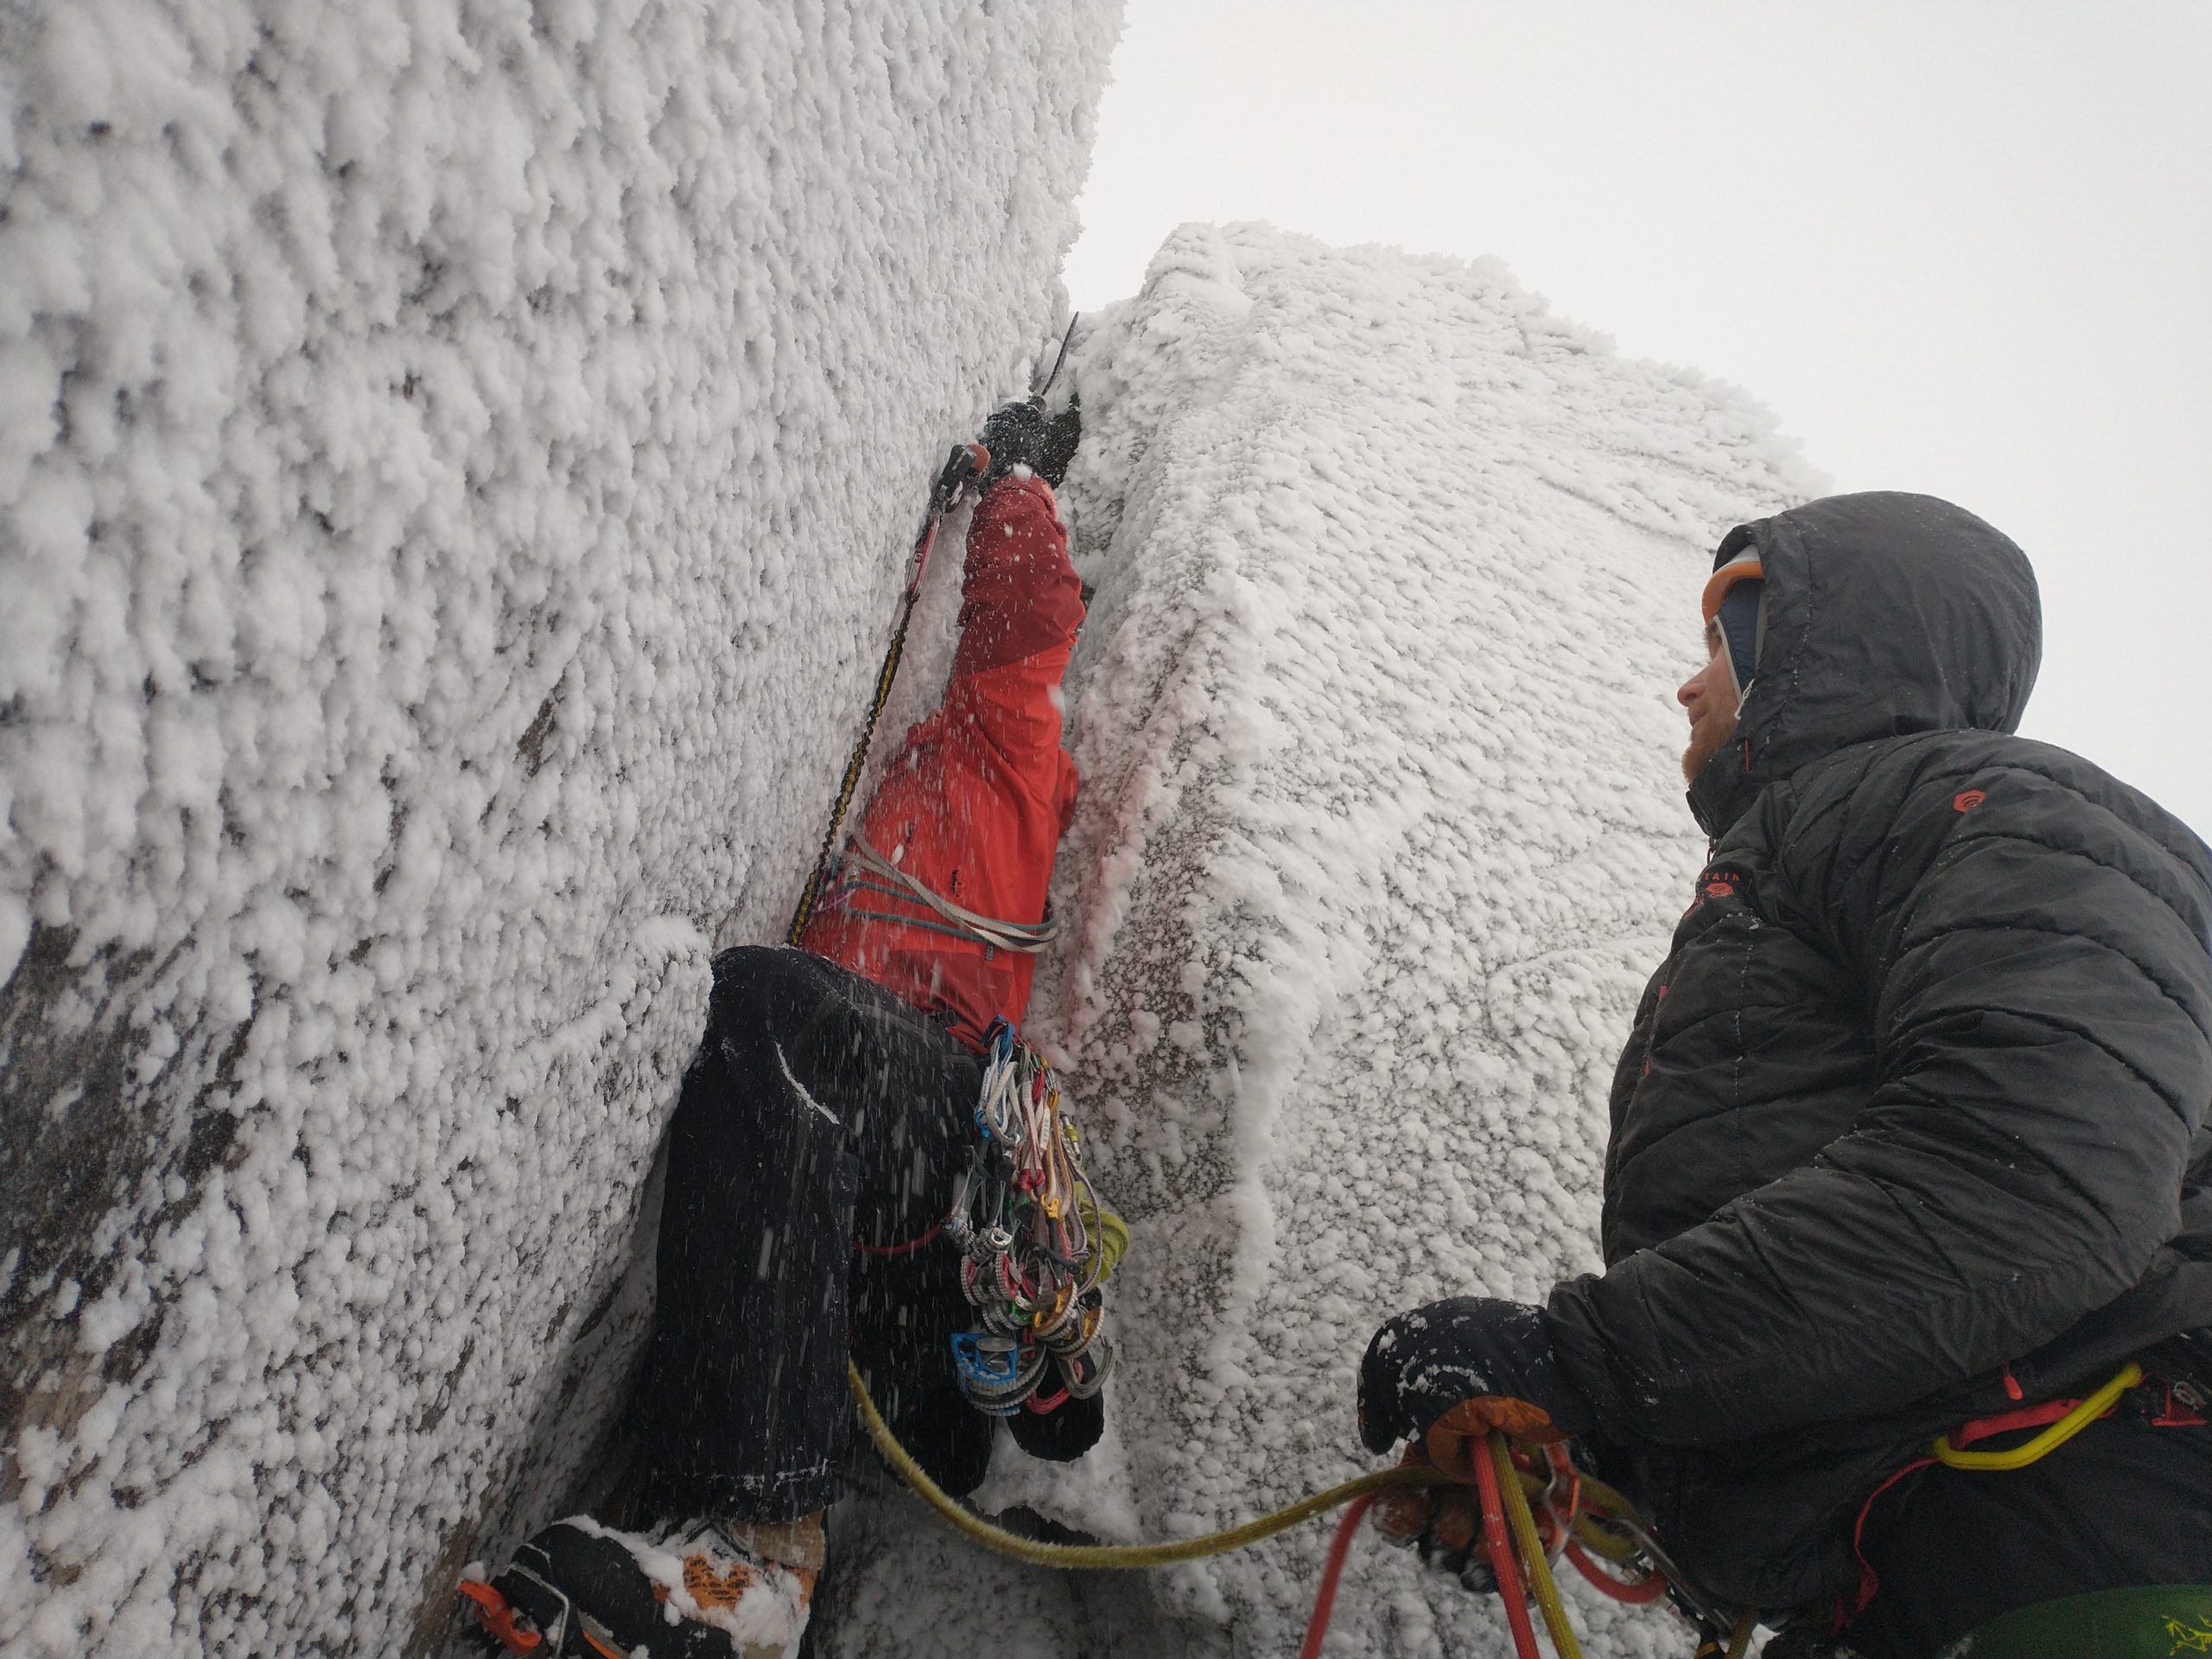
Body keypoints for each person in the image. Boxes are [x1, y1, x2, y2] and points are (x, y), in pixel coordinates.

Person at [1356, 493, 2212, 1657]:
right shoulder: (1844, 844)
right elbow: (1899, 1314)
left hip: (2085, 1519)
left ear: (1806, 656)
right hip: (1928, 1549)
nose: (1688, 683)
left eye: (1719, 642)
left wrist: (1593, 1364)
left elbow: (2033, 1185)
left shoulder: (2000, 814)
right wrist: (1579, 1443)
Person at [460, 399, 1099, 1659]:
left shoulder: (1004, 741)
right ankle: (671, 1600)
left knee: (771, 1016)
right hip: (883, 1259)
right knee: (775, 1065)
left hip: (931, 1135)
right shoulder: (931, 784)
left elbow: (1025, 615)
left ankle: (756, 1554)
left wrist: (1017, 477)